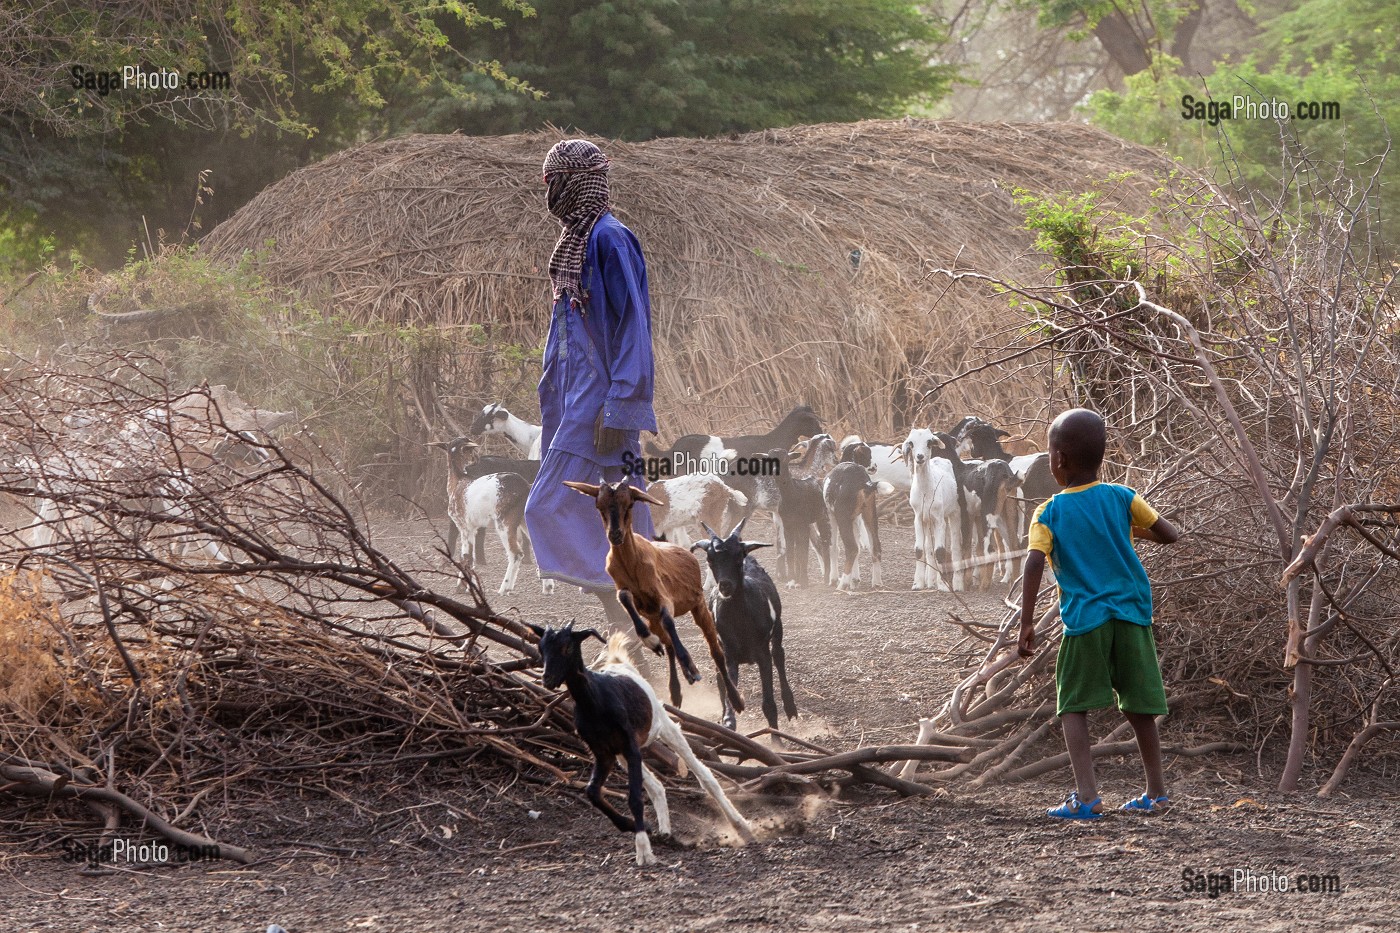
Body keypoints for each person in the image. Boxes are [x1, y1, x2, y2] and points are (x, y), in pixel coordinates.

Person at [1017, 408, 1180, 819]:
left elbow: (1034, 563)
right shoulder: (1123, 497)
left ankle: (1087, 797)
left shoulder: (1048, 513)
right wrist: (1127, 530)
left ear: (1058, 460)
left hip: (1085, 621)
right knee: (1138, 705)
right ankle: (1157, 793)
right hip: (1131, 615)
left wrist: (1026, 623)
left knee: (1073, 705)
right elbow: (1170, 535)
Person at [524, 139, 658, 621]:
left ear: (577, 184)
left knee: (544, 506)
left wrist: (620, 405)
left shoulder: (609, 238)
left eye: (555, 182)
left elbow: (631, 326)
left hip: (601, 403)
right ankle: (634, 630)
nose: (549, 192)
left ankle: (626, 609)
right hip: (573, 400)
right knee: (617, 513)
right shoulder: (574, 239)